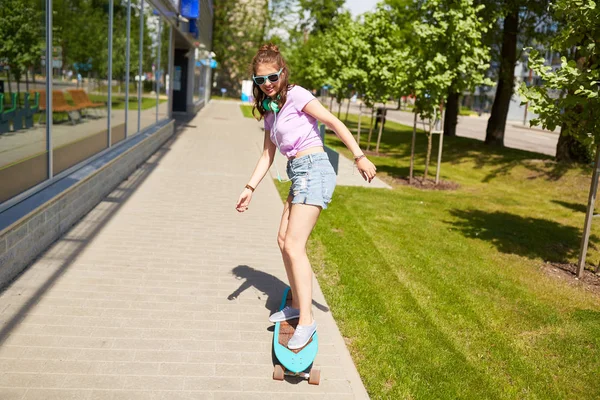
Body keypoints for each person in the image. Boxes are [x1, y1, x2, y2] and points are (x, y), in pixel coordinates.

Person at [235, 44, 377, 350]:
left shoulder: (297, 94)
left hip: (314, 168)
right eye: (260, 81)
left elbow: (333, 123)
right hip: (299, 172)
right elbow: (266, 156)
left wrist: (360, 157)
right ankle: (299, 305)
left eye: (272, 77)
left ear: (282, 73)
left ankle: (307, 322)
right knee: (283, 240)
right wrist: (249, 189)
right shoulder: (271, 111)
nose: (267, 84)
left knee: (295, 246)